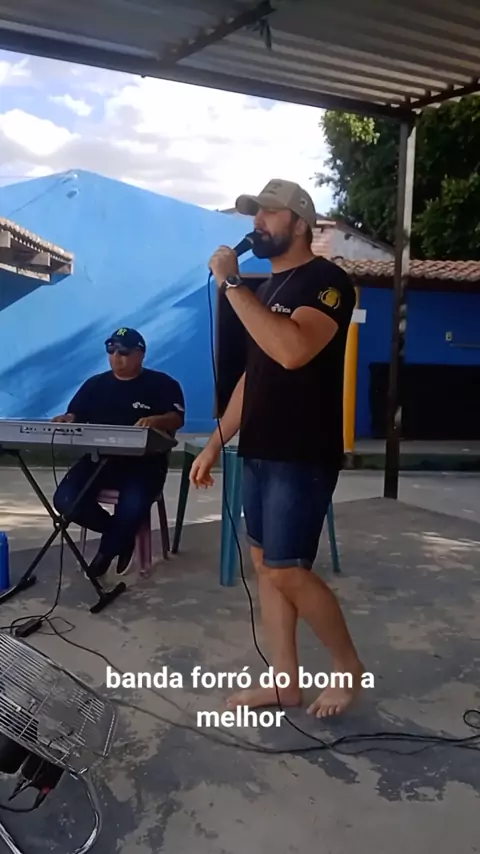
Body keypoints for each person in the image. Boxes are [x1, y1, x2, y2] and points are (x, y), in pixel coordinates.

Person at [190, 178, 364, 718]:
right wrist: (215, 444)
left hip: (301, 453)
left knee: (289, 569)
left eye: (269, 213)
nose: (257, 223)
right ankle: (284, 682)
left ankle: (347, 670)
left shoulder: (327, 282)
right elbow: (253, 378)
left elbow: (292, 350)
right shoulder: (264, 292)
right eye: (254, 214)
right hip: (260, 450)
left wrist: (231, 284)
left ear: (300, 223)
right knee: (265, 565)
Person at [52, 327, 185, 578]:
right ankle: (122, 537)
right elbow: (74, 414)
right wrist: (67, 419)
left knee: (133, 506)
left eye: (123, 351)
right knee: (65, 500)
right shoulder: (95, 385)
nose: (116, 357)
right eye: (111, 350)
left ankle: (105, 554)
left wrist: (156, 420)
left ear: (140, 354)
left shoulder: (162, 384)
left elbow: (177, 418)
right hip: (98, 460)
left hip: (144, 464)